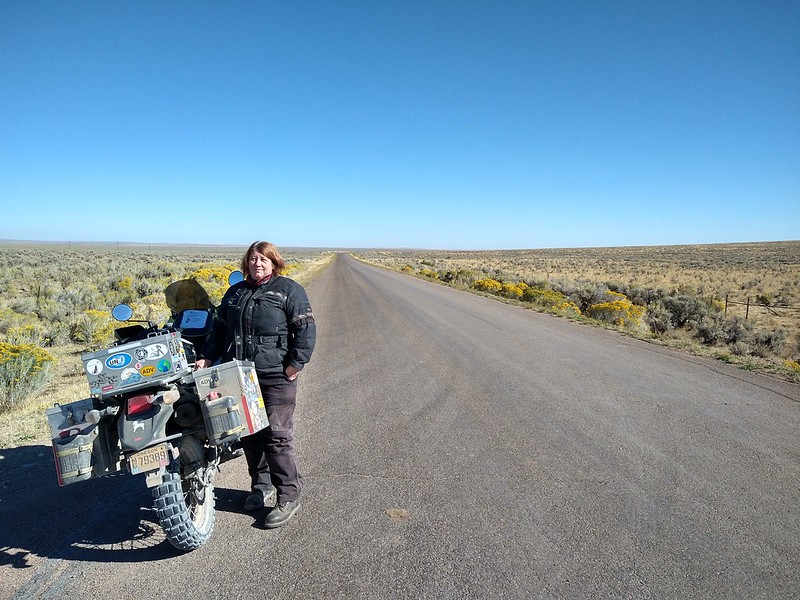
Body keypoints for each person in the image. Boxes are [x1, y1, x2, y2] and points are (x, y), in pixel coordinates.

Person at [196, 241, 316, 528]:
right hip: (239, 375)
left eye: (263, 259)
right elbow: (219, 329)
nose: (257, 263)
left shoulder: (289, 290)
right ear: (245, 263)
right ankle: (260, 487)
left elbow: (306, 329)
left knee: (276, 435)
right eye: (252, 259)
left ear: (274, 262)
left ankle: (288, 495)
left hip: (275, 376)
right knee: (249, 433)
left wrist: (295, 365)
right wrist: (207, 356)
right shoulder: (235, 293)